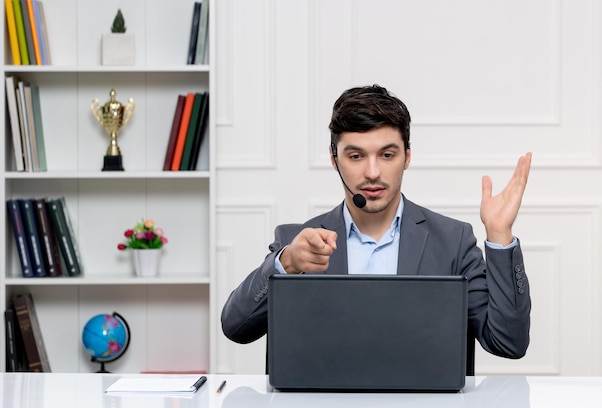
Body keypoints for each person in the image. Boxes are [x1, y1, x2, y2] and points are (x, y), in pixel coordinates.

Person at [221, 84, 532, 361]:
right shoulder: (297, 243)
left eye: (387, 155)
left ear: (407, 157)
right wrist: (285, 262)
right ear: (334, 160)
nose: (372, 172)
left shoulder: (453, 241)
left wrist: (500, 235)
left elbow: (508, 343)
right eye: (356, 156)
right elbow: (236, 327)